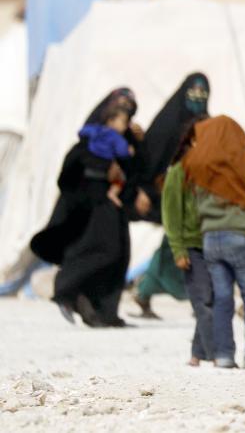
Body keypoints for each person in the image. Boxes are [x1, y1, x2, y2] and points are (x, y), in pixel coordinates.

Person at [31, 88, 144, 327]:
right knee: (103, 250)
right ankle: (66, 288)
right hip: (90, 206)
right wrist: (104, 172)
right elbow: (71, 173)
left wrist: (136, 145)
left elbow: (133, 166)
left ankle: (102, 312)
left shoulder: (126, 138)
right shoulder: (89, 142)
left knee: (118, 255)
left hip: (113, 204)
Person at [182, 115, 245, 369]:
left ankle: (223, 356)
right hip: (238, 235)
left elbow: (194, 206)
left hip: (210, 239)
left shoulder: (199, 167)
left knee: (222, 297)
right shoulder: (241, 164)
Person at [133, 73, 211, 319]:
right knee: (175, 242)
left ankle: (150, 292)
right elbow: (150, 158)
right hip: (170, 193)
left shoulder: (206, 123)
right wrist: (145, 190)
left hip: (198, 196)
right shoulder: (168, 122)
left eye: (202, 94)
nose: (198, 98)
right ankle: (199, 298)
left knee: (184, 244)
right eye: (193, 93)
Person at [161, 118, 213, 366]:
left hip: (215, 244)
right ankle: (215, 353)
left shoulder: (214, 171)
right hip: (192, 247)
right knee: (203, 300)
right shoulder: (178, 172)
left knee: (212, 298)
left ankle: (197, 353)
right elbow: (170, 215)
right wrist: (178, 249)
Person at [77, 106, 135, 209]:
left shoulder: (97, 128)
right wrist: (129, 151)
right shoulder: (116, 137)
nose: (126, 126)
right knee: (121, 178)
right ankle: (113, 193)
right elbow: (122, 152)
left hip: (90, 163)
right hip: (105, 165)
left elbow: (82, 131)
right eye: (124, 122)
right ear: (111, 121)